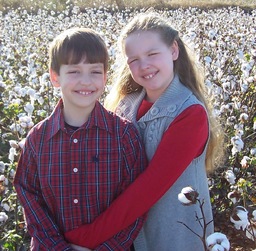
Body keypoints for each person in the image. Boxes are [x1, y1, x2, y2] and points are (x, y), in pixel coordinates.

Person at [64, 13, 224, 250]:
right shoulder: (125, 105)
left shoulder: (190, 114)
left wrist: (88, 237)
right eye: (134, 59)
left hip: (174, 237)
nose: (144, 66)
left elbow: (148, 188)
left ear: (173, 51)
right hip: (126, 236)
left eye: (152, 54)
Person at [13, 27, 148, 251]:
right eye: (74, 71)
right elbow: (30, 198)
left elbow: (135, 206)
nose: (86, 81)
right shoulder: (37, 139)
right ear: (55, 77)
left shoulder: (124, 135)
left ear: (105, 77)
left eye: (95, 72)